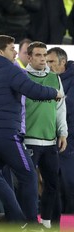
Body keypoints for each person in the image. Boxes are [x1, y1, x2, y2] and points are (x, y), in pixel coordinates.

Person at [0, 35, 63, 229]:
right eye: (12, 49)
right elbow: (32, 89)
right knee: (28, 176)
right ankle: (31, 224)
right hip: (6, 136)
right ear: (1, 52)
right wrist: (54, 93)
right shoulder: (12, 70)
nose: (16, 52)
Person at [24, 42, 67, 229]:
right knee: (29, 185)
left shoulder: (54, 78)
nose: (43, 59)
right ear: (30, 57)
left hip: (50, 141)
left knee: (52, 184)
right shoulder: (22, 77)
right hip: (28, 140)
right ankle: (29, 222)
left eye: (44, 55)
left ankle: (47, 223)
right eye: (39, 55)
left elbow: (60, 108)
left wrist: (63, 132)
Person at [47, 47, 74, 214]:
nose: (48, 65)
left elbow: (69, 105)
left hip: (70, 139)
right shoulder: (47, 79)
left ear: (62, 62)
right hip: (51, 138)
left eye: (51, 61)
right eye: (46, 61)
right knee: (53, 183)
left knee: (68, 182)